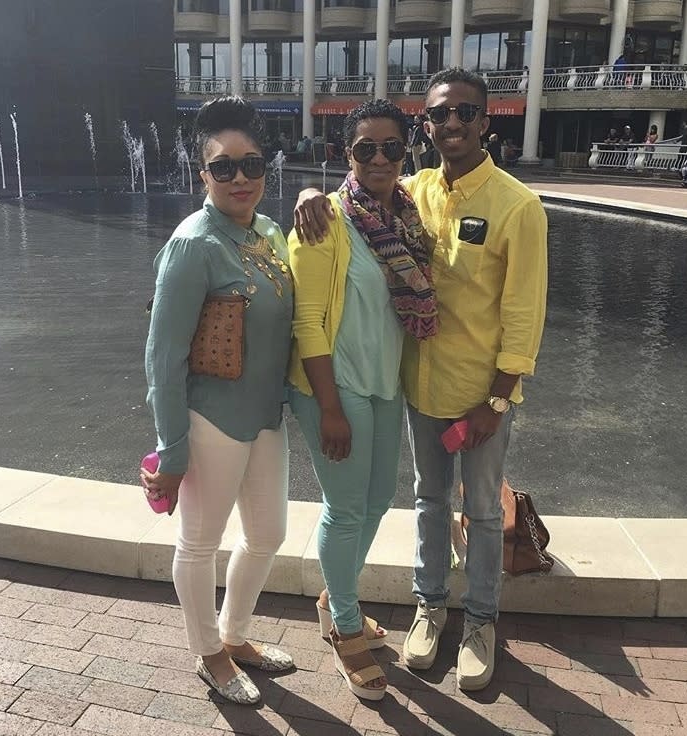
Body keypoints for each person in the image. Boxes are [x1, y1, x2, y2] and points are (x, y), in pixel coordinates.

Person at [293, 67, 548, 692]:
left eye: (465, 112)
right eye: (439, 114)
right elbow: (354, 195)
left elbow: (524, 313)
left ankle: (482, 622)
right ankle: (430, 608)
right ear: (426, 126)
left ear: (486, 121)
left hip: (482, 394)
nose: (452, 123)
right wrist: (307, 199)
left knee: (483, 512)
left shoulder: (518, 205)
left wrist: (498, 397)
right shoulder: (416, 191)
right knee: (429, 502)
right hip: (417, 386)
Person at [142, 96, 294, 705]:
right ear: (202, 173)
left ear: (266, 171)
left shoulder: (270, 232)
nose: (239, 178)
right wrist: (171, 447)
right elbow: (162, 358)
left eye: (251, 165)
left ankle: (235, 635)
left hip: (265, 416)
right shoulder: (192, 245)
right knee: (200, 543)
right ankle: (209, 652)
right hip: (209, 419)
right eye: (223, 166)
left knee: (268, 535)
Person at [288, 99, 437, 701]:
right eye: (364, 149)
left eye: (391, 147)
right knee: (346, 509)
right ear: (344, 155)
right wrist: (327, 407)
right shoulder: (324, 220)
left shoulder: (407, 216)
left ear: (407, 152)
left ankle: (333, 597)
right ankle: (346, 630)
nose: (379, 159)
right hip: (333, 385)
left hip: (383, 382)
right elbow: (306, 322)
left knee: (377, 501)